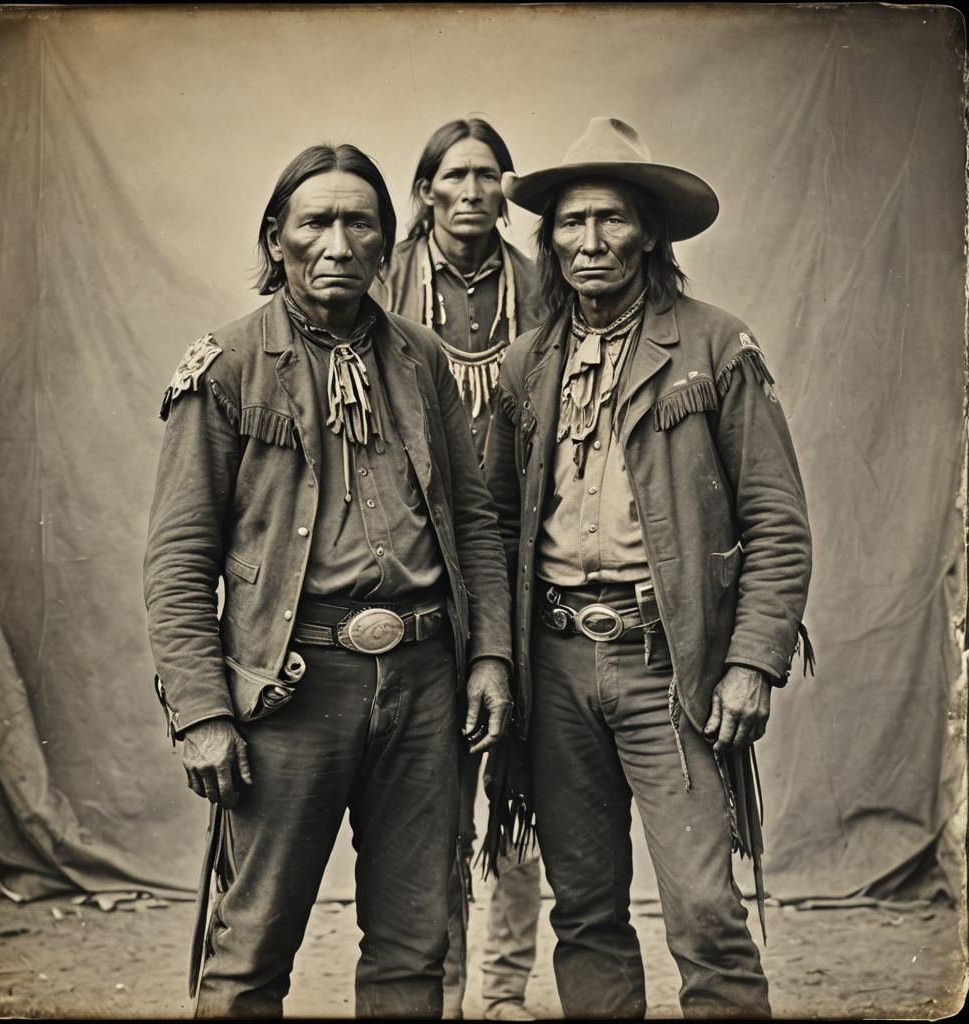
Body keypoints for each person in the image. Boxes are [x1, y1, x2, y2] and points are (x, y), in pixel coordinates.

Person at [143, 142, 514, 1020]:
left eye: (360, 224)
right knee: (252, 949)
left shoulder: (421, 358)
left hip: (426, 685)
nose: (338, 243)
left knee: (415, 946)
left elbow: (474, 526)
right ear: (277, 239)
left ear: (388, 244)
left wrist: (490, 656)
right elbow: (178, 561)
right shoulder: (228, 366)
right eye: (316, 222)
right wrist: (202, 713)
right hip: (293, 690)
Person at [484, 117, 814, 1019]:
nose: (589, 242)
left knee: (705, 909)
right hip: (552, 663)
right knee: (584, 911)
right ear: (548, 239)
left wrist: (751, 661)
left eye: (612, 220)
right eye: (570, 223)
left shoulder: (714, 346)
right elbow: (496, 521)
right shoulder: (529, 364)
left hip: (670, 662)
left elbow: (778, 521)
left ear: (651, 232)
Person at [373, 118, 543, 1021]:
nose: (474, 190)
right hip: (422, 556)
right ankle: (436, 987)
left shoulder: (544, 282)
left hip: (521, 552)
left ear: (508, 189)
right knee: (434, 798)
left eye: (490, 174)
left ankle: (507, 990)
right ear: (426, 189)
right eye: (456, 174)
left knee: (522, 774)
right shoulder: (379, 282)